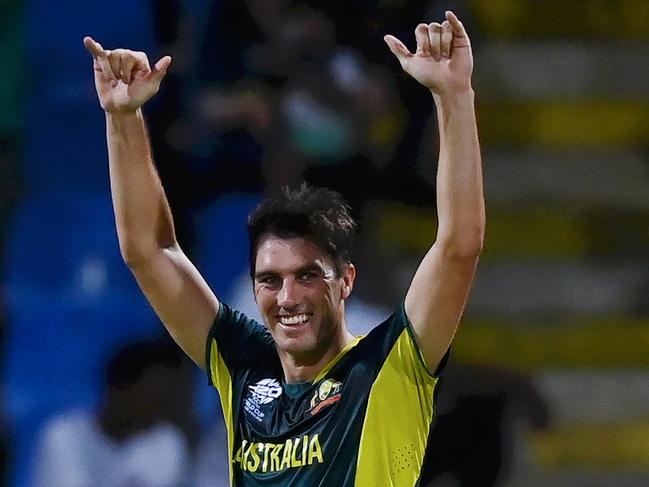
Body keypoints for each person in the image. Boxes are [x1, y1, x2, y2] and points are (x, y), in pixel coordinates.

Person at [83, 9, 484, 486]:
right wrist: (123, 116)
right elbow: (147, 251)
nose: (288, 297)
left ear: (346, 280)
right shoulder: (244, 367)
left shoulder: (388, 366)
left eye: (308, 275)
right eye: (270, 280)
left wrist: (454, 96)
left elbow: (458, 245)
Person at [33, 339, 192, 487]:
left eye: (164, 397)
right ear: (121, 388)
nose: (158, 406)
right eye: (153, 394)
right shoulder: (62, 435)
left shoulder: (168, 442)